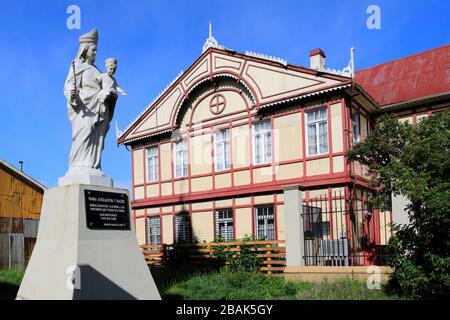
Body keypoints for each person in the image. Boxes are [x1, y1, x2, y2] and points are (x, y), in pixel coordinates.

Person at [63, 29, 118, 177]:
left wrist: (110, 95)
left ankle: (93, 165)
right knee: (83, 135)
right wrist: (72, 94)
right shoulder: (77, 67)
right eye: (93, 50)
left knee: (97, 139)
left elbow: (107, 87)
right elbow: (68, 86)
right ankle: (79, 166)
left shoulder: (98, 71)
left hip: (99, 109)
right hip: (84, 108)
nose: (95, 53)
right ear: (85, 49)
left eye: (96, 50)